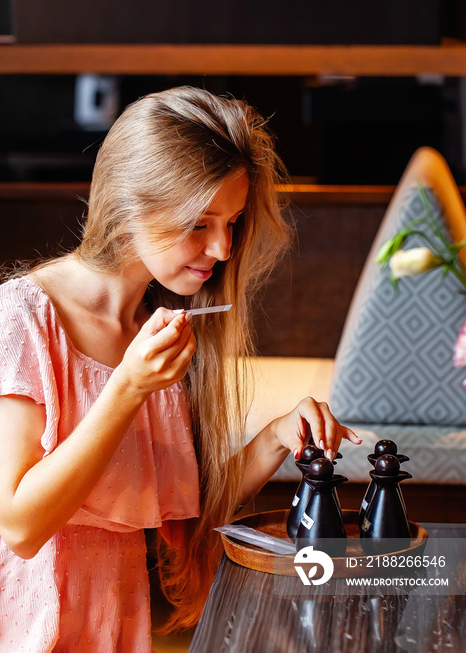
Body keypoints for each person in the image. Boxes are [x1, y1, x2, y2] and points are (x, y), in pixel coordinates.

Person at [0, 86, 361, 651]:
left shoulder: (159, 326)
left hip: (118, 628)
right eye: (200, 222)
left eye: (233, 221)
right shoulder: (24, 316)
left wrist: (273, 437)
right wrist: (127, 387)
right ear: (129, 203)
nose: (221, 248)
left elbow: (182, 510)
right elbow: (19, 526)